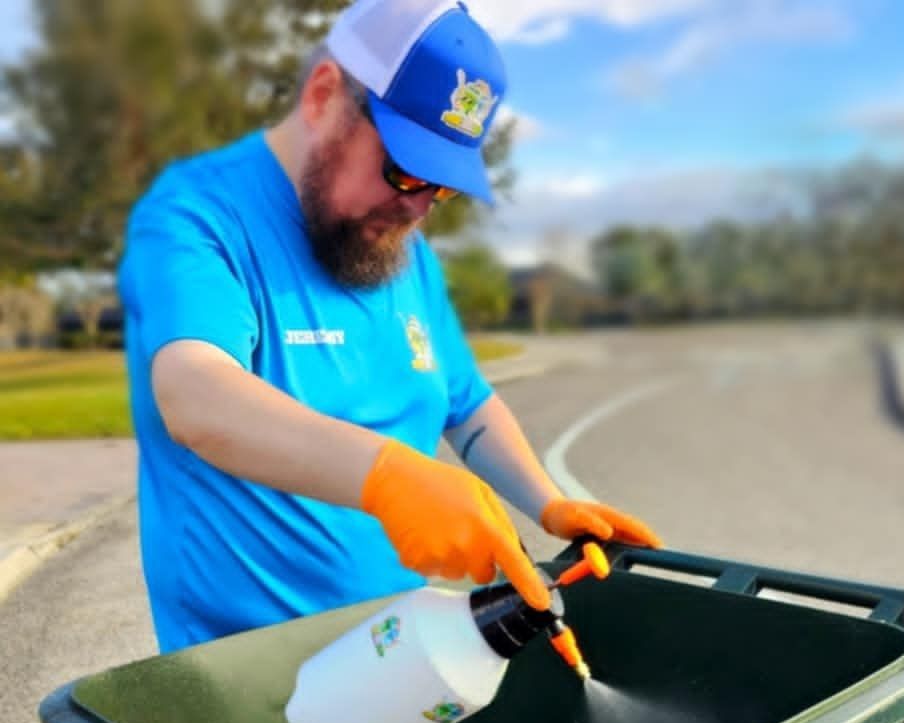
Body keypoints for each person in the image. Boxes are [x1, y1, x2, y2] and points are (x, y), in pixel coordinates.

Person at [119, 0, 659, 654]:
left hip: (404, 655)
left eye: (441, 188)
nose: (417, 209)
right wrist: (389, 476)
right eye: (405, 169)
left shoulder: (401, 254)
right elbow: (195, 396)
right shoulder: (197, 218)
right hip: (252, 685)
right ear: (324, 97)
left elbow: (466, 405)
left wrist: (547, 504)